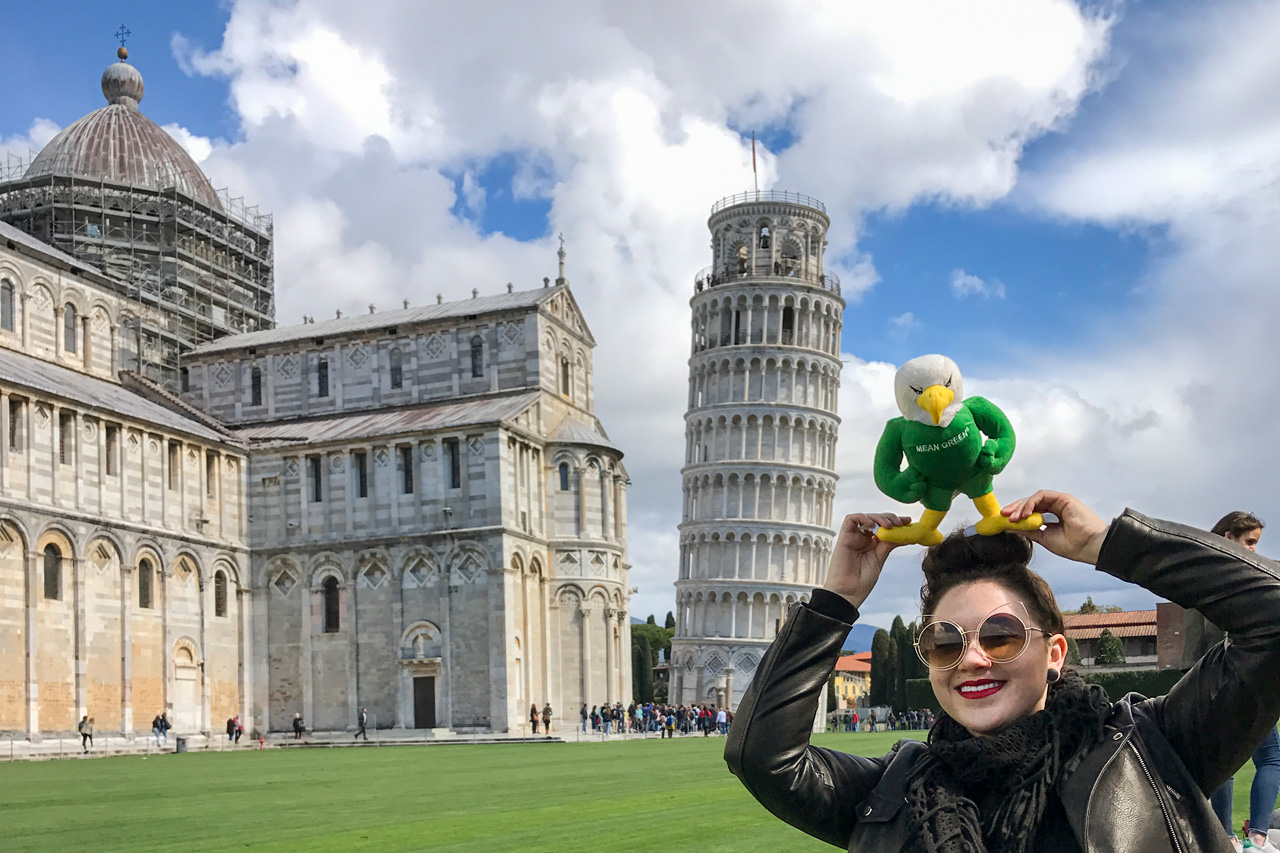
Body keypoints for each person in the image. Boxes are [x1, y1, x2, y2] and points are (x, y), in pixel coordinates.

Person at [726, 491, 1280, 851]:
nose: (971, 658)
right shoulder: (890, 791)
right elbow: (760, 756)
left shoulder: (1153, 750)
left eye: (1000, 635)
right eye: (944, 642)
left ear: (1055, 654)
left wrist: (1108, 543)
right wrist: (838, 599)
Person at [1198, 512, 1279, 851]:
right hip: (1244, 681)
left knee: (1227, 763)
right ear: (1229, 537)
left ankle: (1229, 837)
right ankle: (1256, 837)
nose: (1254, 550)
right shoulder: (1237, 577)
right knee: (1269, 758)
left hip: (1214, 681)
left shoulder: (1196, 573)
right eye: (1250, 542)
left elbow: (1195, 644)